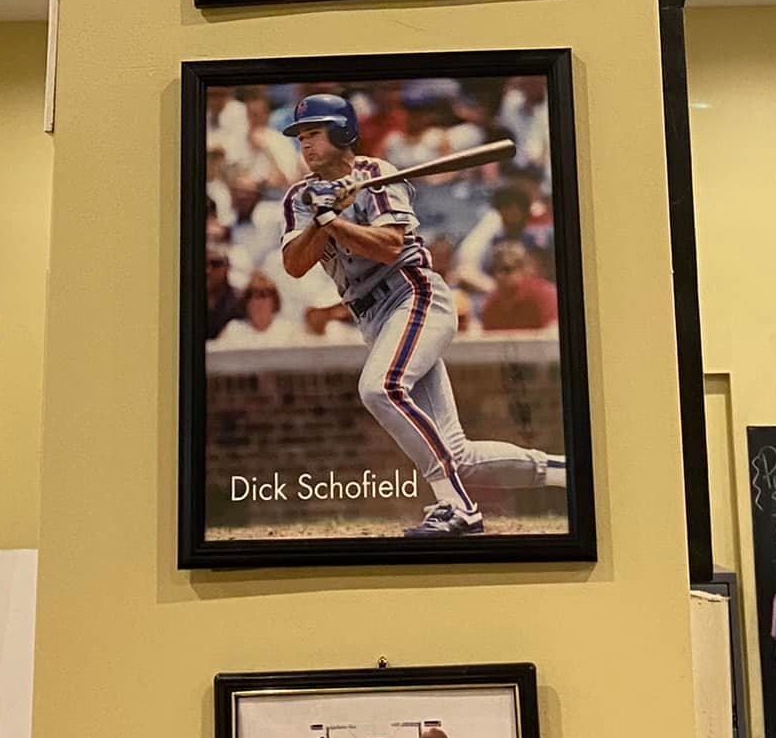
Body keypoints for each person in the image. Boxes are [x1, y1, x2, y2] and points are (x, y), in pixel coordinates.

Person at [279, 93, 563, 539]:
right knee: (457, 455)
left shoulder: (376, 174)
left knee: (380, 388)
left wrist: (336, 220)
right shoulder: (301, 196)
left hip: (413, 296)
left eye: (314, 133)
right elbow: (294, 265)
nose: (306, 144)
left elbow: (390, 245)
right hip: (372, 318)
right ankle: (569, 472)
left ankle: (458, 508)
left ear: (342, 132)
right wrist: (320, 218)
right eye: (301, 137)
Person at [478, 242, 559, 335]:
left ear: (523, 269)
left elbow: (553, 332)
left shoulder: (544, 294)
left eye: (507, 269)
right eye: (494, 270)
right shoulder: (491, 305)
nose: (498, 276)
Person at [215, 271, 303, 349]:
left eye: (263, 296)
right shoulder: (233, 330)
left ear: (274, 302)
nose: (259, 302)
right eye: (254, 297)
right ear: (246, 303)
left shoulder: (288, 331)